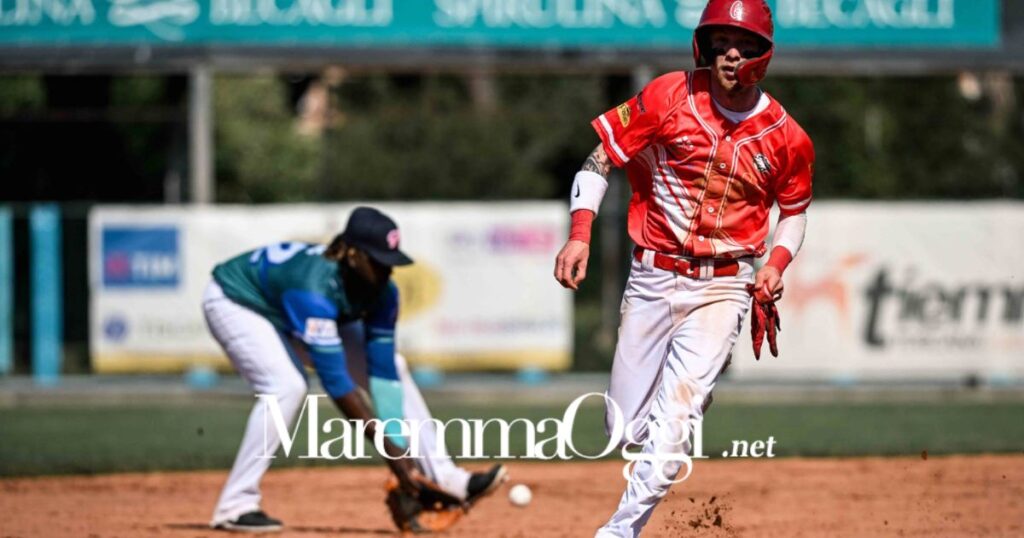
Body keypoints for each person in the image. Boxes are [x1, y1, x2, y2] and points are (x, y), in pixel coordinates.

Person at [553, 1, 814, 536]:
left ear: (764, 55)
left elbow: (793, 213)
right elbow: (601, 158)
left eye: (741, 44)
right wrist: (580, 233)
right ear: (703, 46)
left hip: (724, 285)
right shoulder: (668, 95)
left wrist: (777, 263)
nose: (728, 53)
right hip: (651, 276)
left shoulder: (787, 137)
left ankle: (620, 529)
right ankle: (687, 396)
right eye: (719, 42)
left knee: (674, 421)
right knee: (621, 429)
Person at [203, 206, 507, 533]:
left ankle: (445, 477)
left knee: (398, 367)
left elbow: (383, 375)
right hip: (236, 301)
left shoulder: (384, 294)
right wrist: (391, 455)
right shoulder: (313, 290)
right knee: (287, 386)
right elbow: (336, 383)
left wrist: (400, 451)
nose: (385, 271)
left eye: (390, 262)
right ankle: (236, 505)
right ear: (352, 254)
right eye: (377, 261)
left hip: (286, 306)